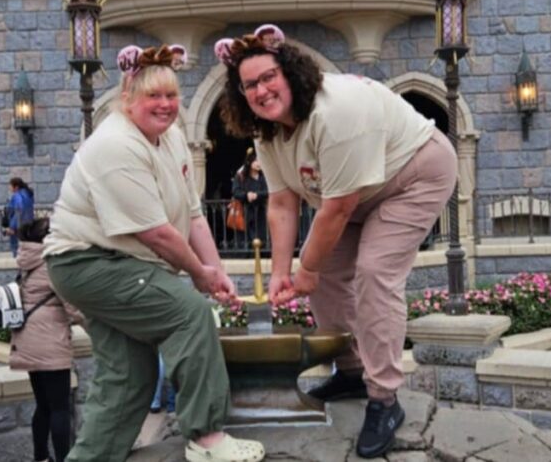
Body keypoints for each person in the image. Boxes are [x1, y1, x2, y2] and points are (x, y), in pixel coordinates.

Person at [215, 24, 457, 459]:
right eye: (249, 85)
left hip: (413, 175)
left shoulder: (335, 113)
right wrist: (284, 272)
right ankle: (351, 372)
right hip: (359, 193)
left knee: (373, 273)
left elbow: (336, 209)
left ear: (289, 71)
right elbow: (283, 204)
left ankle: (384, 397)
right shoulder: (267, 131)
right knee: (323, 272)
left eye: (268, 76)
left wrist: (305, 269)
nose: (261, 90)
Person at [43, 44, 264, 462]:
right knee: (189, 313)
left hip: (116, 261)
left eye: (171, 95)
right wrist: (200, 277)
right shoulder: (114, 145)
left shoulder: (174, 137)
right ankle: (207, 438)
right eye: (153, 96)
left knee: (128, 374)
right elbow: (158, 234)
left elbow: (194, 215)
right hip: (86, 262)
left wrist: (215, 270)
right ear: (129, 97)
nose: (165, 105)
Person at [10, 218, 82, 462]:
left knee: (43, 405)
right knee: (60, 408)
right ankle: (63, 458)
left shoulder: (26, 261)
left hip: (28, 339)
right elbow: (72, 306)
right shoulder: (51, 264)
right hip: (50, 341)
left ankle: (40, 457)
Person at [231, 147, 269, 246]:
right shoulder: (241, 176)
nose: (259, 163)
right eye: (256, 160)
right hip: (245, 212)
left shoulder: (264, 176)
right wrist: (246, 195)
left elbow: (269, 191)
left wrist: (257, 195)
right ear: (249, 162)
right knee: (245, 240)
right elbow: (236, 191)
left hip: (261, 213)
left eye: (260, 160)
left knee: (261, 239)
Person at [5, 177, 35, 257]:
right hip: (28, 223)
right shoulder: (28, 194)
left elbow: (19, 210)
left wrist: (12, 227)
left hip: (18, 225)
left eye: (11, 186)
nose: (9, 188)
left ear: (16, 187)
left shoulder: (17, 195)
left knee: (16, 249)